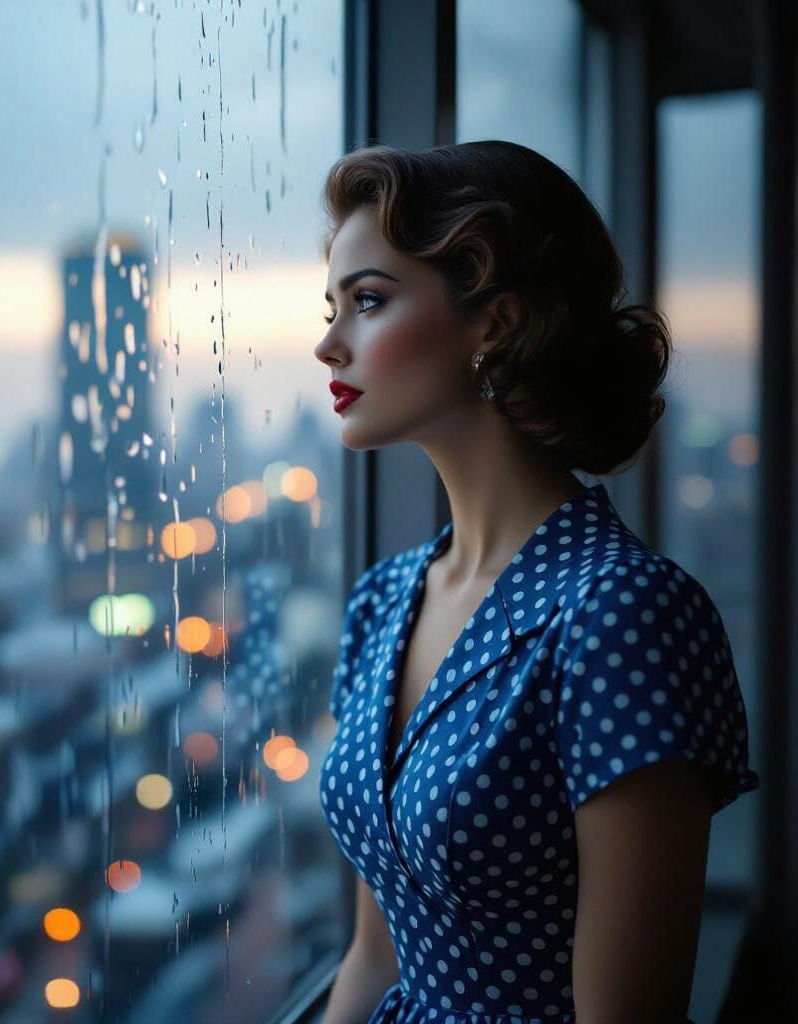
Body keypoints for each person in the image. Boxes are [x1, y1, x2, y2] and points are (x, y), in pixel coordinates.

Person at [312, 140, 759, 1024]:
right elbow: (372, 957)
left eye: (367, 301)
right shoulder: (384, 599)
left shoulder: (623, 615)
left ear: (496, 321)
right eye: (332, 307)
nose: (328, 345)